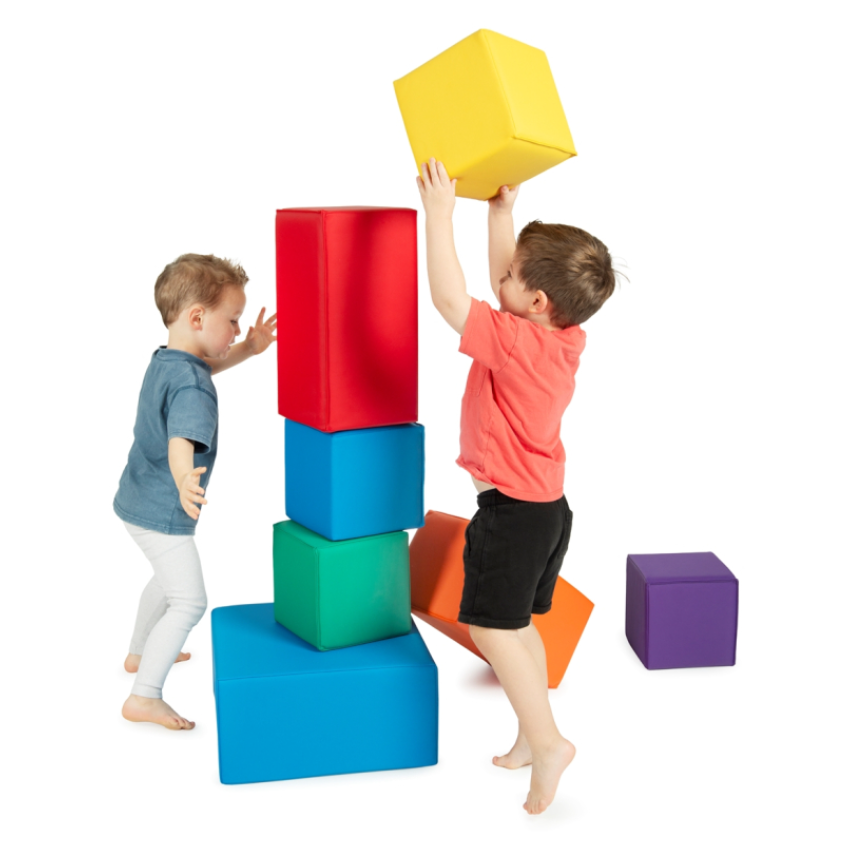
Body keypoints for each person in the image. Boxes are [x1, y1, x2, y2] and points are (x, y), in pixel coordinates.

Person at [416, 158, 617, 814]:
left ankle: (550, 742)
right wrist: (501, 214)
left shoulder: (513, 343)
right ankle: (534, 735)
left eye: (508, 275)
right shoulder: (561, 337)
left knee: (491, 630)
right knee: (519, 626)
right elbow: (512, 286)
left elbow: (450, 301)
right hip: (547, 511)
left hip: (510, 513)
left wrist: (440, 216)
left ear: (535, 304)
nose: (497, 277)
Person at [114, 253, 276, 730]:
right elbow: (180, 441)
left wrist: (248, 348)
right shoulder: (193, 386)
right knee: (189, 601)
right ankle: (144, 696)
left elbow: (205, 367)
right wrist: (185, 478)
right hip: (162, 509)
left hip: (135, 498)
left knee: (166, 581)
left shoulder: (170, 360)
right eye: (233, 321)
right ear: (198, 317)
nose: (237, 329)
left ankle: (139, 652)